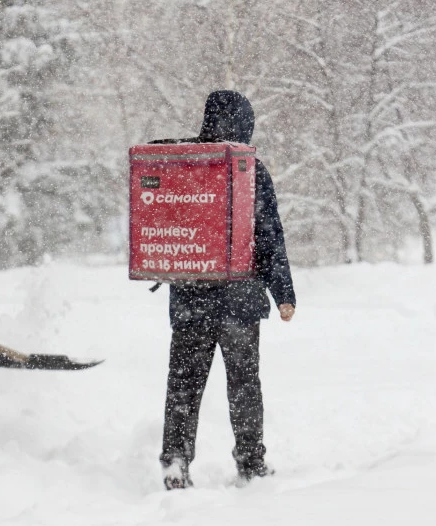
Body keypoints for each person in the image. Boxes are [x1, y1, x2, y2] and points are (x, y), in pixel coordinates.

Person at [150, 91, 296, 489]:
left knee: (183, 384)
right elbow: (269, 236)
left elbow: (164, 222)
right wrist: (283, 292)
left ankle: (175, 464)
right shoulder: (248, 169)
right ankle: (250, 464)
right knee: (245, 386)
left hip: (191, 298)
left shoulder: (183, 164)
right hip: (240, 301)